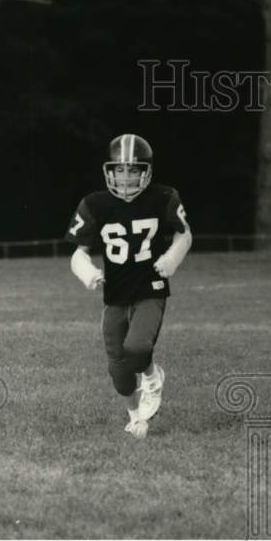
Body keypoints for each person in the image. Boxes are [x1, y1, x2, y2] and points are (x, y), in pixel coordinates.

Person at [65, 134, 192, 439]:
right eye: (119, 170)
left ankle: (152, 377)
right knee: (117, 365)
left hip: (150, 285)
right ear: (109, 171)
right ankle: (136, 418)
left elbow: (184, 233)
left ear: (145, 171)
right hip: (115, 290)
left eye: (133, 170)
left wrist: (171, 259)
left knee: (136, 348)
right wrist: (88, 272)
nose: (125, 177)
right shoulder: (94, 204)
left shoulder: (163, 197)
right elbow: (79, 251)